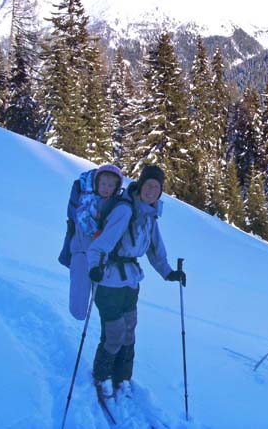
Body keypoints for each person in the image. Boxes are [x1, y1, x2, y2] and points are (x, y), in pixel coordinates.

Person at [86, 164, 187, 399]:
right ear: (140, 185)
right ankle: (101, 376)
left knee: (129, 331)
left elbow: (155, 251)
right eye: (149, 185)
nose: (152, 191)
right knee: (115, 332)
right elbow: (101, 244)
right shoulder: (125, 211)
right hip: (109, 279)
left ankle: (122, 377)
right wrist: (94, 267)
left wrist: (169, 272)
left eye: (157, 188)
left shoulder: (150, 215)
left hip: (131, 282)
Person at [68, 164, 124, 320]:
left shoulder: (115, 206)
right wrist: (97, 230)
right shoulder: (86, 201)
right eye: (103, 184)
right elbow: (81, 222)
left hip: (99, 258)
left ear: (116, 187)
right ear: (96, 183)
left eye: (111, 185)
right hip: (81, 252)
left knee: (103, 295)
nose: (106, 188)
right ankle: (74, 321)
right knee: (79, 293)